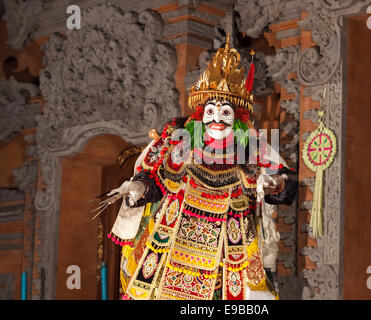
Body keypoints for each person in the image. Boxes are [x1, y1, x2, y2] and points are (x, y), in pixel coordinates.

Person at [103, 34, 297, 300]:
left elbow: (284, 179)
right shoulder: (177, 137)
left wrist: (273, 183)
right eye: (211, 111)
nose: (217, 117)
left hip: (229, 244)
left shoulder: (251, 144)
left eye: (225, 112)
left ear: (238, 116)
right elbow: (153, 176)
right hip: (173, 234)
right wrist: (137, 186)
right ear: (200, 114)